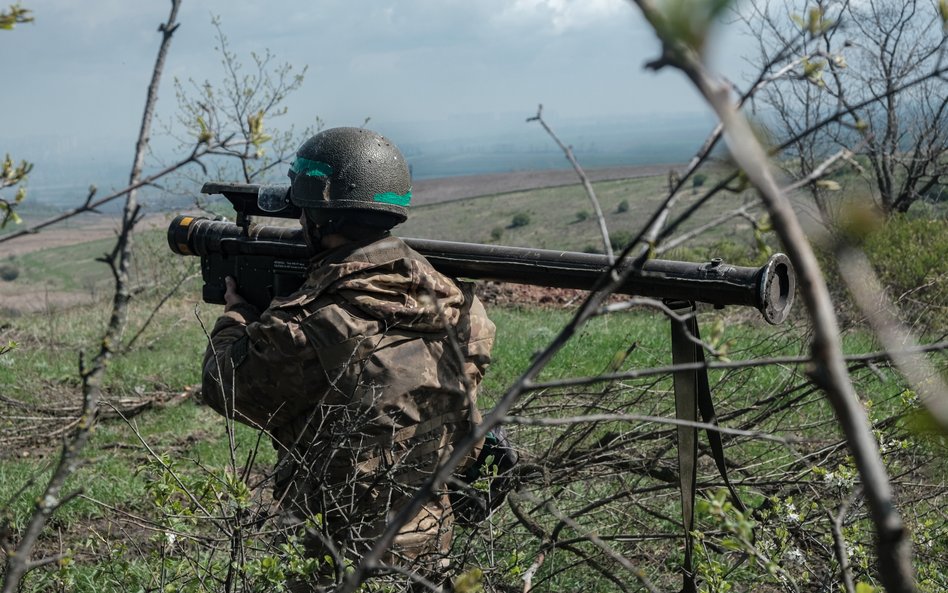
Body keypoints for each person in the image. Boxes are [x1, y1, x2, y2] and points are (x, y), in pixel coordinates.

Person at [201, 127, 496, 590]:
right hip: (430, 530)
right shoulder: (460, 306)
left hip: (336, 548)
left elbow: (226, 386)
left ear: (315, 216)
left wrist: (237, 319)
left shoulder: (312, 327)